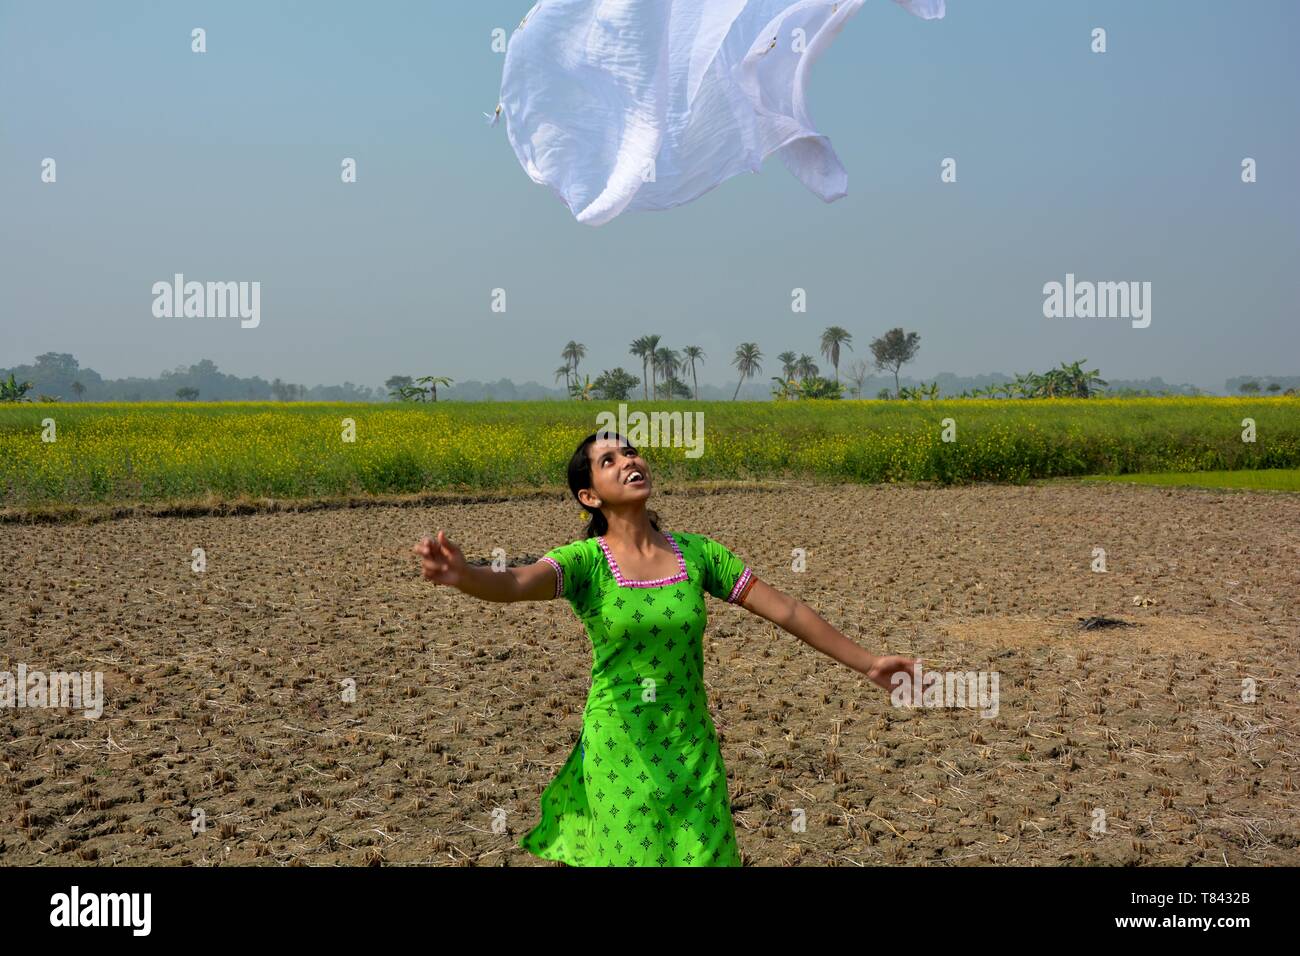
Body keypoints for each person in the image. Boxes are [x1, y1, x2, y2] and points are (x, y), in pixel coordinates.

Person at [413, 431, 919, 866]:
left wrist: (869, 662)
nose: (629, 461)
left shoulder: (698, 554)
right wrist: (464, 576)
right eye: (609, 461)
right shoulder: (586, 562)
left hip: (690, 744)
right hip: (619, 747)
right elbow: (519, 583)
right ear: (590, 497)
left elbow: (785, 609)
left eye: (630, 452)